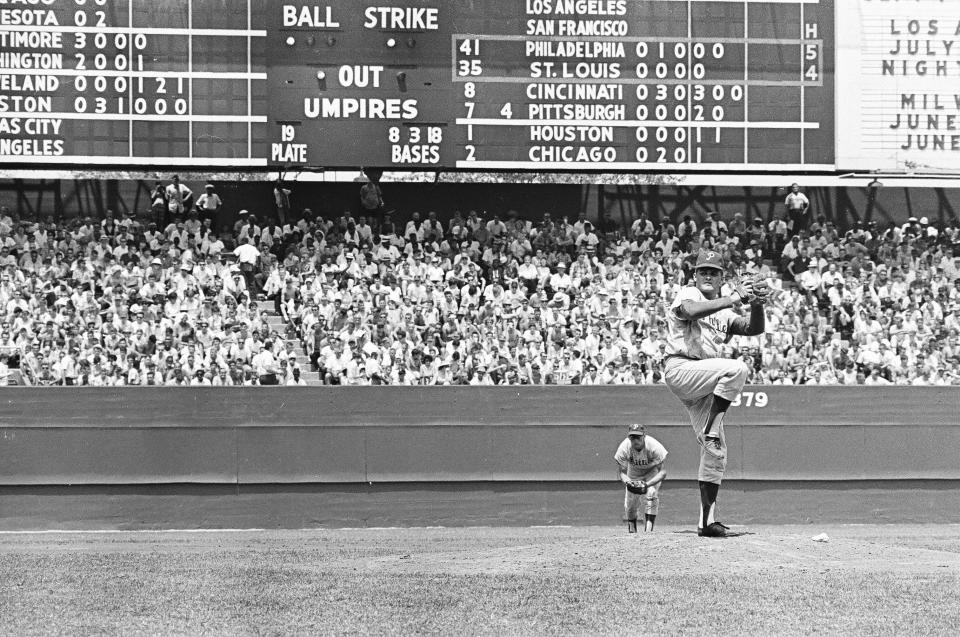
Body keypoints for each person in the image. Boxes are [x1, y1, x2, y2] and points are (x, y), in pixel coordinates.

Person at [663, 249, 766, 537]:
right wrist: (735, 296)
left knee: (716, 452)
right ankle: (712, 426)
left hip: (703, 381)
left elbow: (753, 328)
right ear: (694, 276)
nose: (707, 275)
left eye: (713, 271)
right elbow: (690, 312)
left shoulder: (724, 310)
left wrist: (757, 304)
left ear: (722, 277)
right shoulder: (687, 293)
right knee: (737, 369)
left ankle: (706, 522)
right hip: (681, 367)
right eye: (702, 271)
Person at [613, 423, 668, 533]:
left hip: (651, 472)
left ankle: (648, 530)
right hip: (634, 472)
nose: (635, 440)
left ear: (644, 436)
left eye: (638, 437)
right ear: (629, 437)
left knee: (652, 494)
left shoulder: (654, 446)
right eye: (632, 437)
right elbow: (622, 473)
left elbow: (662, 473)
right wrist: (629, 483)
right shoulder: (624, 448)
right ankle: (632, 529)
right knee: (631, 503)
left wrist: (647, 485)